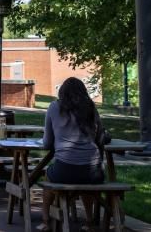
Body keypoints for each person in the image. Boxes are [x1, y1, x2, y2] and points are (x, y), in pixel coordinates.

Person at [40, 77, 107, 231]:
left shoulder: (53, 107)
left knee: (48, 176)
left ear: (62, 92)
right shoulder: (90, 107)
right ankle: (89, 221)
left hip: (65, 168)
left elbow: (47, 143)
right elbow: (99, 137)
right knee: (86, 183)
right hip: (94, 171)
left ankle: (45, 221)